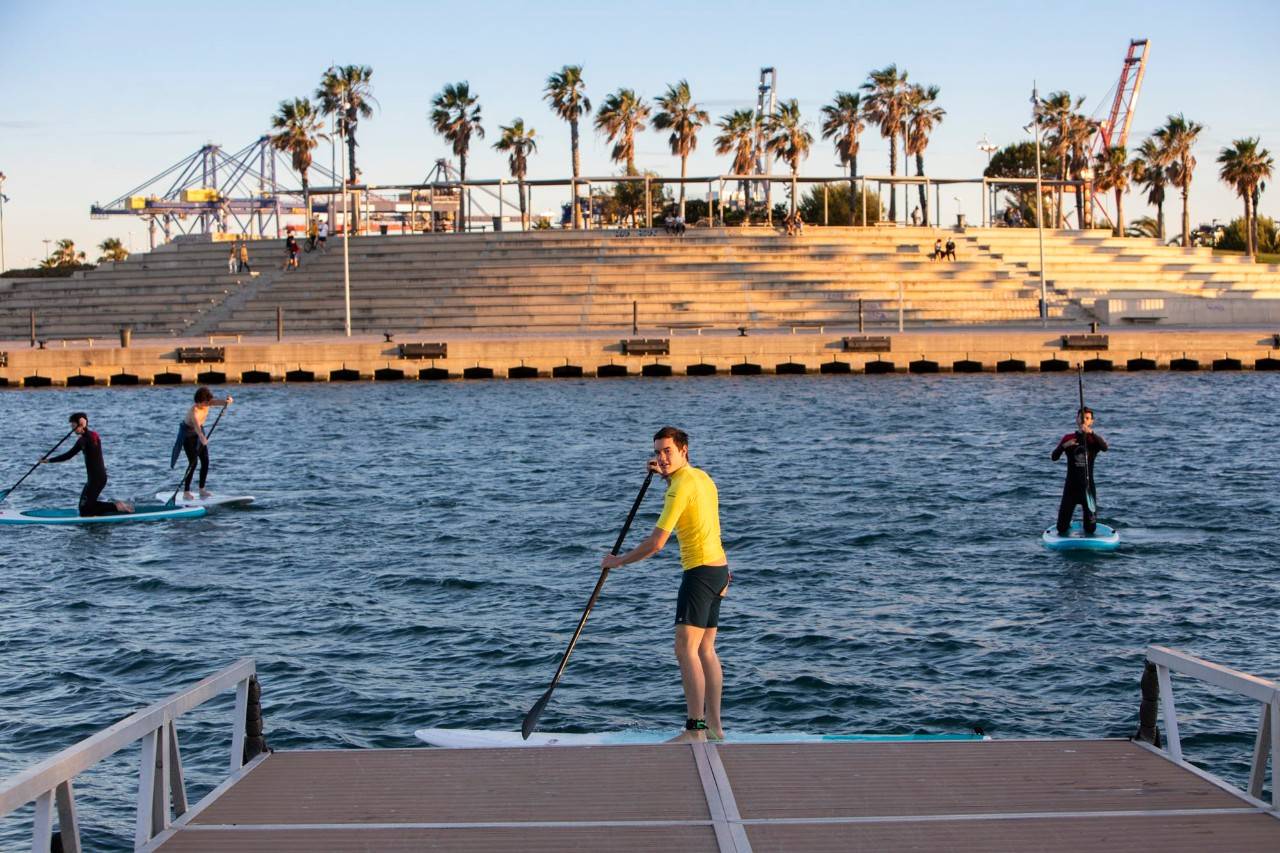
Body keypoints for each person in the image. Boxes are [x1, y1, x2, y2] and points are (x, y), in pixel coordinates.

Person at [601, 427, 731, 743]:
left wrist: (618, 562)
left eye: (667, 451)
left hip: (699, 574)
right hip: (719, 571)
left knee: (685, 650)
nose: (662, 457)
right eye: (658, 452)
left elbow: (657, 543)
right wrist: (662, 474)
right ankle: (714, 728)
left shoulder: (679, 487)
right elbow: (708, 524)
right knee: (706, 651)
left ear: (684, 450)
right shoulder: (703, 478)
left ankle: (695, 730)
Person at [40, 413, 134, 516]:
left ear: (80, 424)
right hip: (94, 479)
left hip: (97, 479)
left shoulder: (88, 438)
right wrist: (49, 460)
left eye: (73, 426)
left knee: (85, 510)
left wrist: (49, 460)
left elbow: (69, 454)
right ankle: (111, 507)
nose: (72, 429)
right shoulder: (88, 438)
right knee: (83, 508)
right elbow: (70, 454)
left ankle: (116, 507)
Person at [1051, 406, 1108, 535]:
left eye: (1087, 418)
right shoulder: (1068, 438)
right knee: (1061, 528)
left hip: (1088, 489)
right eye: (1082, 418)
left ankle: (1087, 523)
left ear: (1091, 421)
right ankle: (1067, 523)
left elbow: (1104, 448)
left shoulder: (1093, 440)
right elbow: (1054, 457)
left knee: (1090, 529)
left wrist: (1091, 433)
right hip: (1071, 488)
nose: (1084, 420)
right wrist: (1065, 446)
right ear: (1077, 420)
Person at [175, 387, 233, 500]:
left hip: (199, 432)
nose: (206, 405)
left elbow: (219, 402)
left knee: (205, 461)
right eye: (203, 403)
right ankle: (186, 492)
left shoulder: (208, 402)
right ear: (199, 402)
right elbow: (196, 426)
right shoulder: (194, 411)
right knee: (193, 462)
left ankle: (202, 490)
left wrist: (227, 402)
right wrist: (202, 437)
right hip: (187, 435)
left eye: (207, 403)